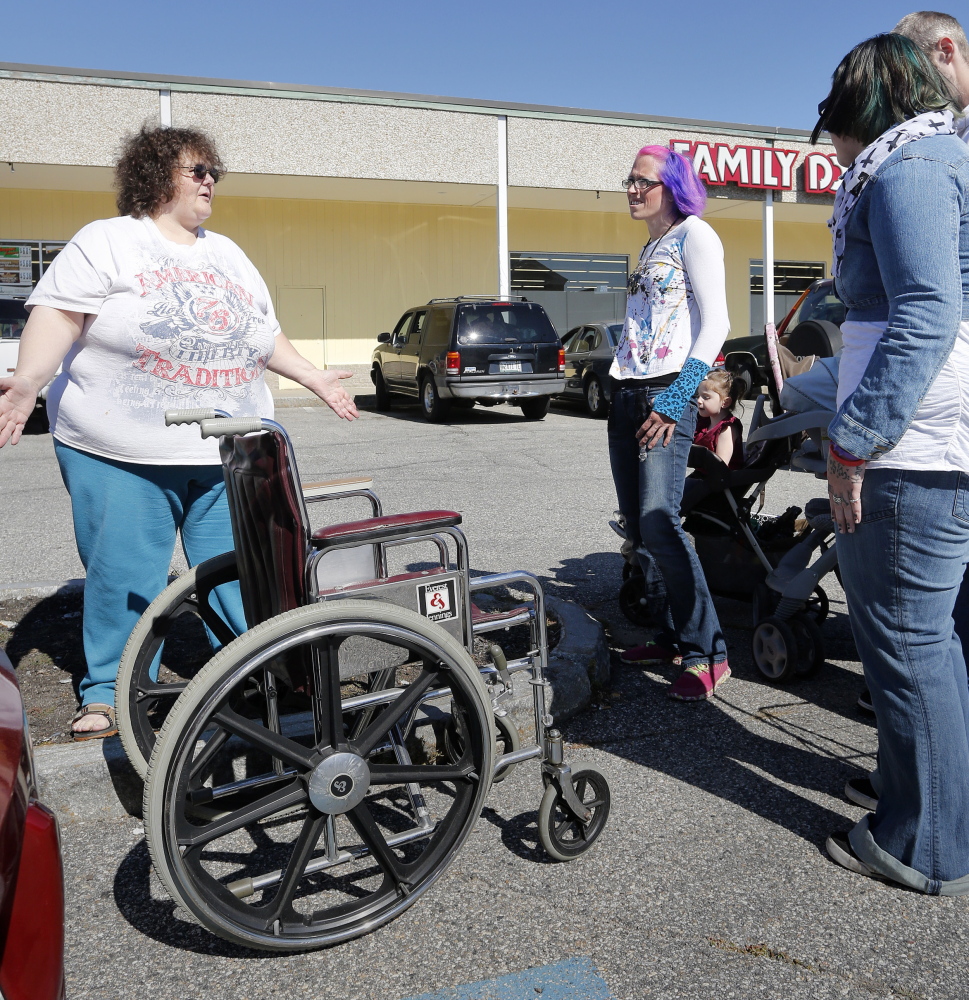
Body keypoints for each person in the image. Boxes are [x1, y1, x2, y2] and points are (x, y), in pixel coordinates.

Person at [0, 125, 358, 740]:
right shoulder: (108, 242)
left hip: (230, 448)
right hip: (121, 450)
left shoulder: (227, 253)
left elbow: (261, 332)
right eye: (196, 171)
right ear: (155, 176)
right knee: (124, 574)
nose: (209, 181)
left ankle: (257, 673)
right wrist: (29, 380)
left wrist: (314, 377)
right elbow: (58, 312)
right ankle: (111, 692)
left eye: (213, 171)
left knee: (245, 571)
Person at [814, 33, 969, 894]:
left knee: (907, 644)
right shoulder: (938, 157)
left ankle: (926, 845)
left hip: (911, 445)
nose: (833, 148)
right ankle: (932, 798)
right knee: (930, 645)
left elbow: (924, 314)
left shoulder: (907, 168)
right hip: (931, 437)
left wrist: (850, 442)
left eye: (835, 124)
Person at [611, 145, 731, 701]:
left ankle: (709, 650)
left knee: (662, 518)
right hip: (629, 392)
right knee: (639, 524)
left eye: (644, 182)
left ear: (673, 187)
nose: (633, 190)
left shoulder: (694, 235)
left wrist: (676, 397)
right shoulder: (652, 245)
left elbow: (718, 326)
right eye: (630, 181)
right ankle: (671, 635)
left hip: (668, 392)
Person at [693, 370, 742, 470]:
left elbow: (720, 468)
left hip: (722, 482)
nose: (698, 401)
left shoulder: (726, 429)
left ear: (725, 402)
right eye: (699, 395)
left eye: (706, 397)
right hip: (705, 476)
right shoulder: (704, 422)